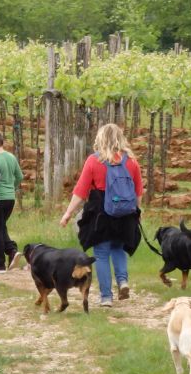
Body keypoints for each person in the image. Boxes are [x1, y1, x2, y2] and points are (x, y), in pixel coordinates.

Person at [59, 123, 144, 307]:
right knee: (119, 248)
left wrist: (68, 213)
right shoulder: (131, 161)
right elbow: (138, 191)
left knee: (102, 254)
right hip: (126, 214)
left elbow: (80, 191)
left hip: (101, 214)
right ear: (120, 138)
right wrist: (137, 212)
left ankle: (106, 297)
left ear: (101, 138)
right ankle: (123, 281)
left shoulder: (94, 161)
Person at [0, 130, 24, 272]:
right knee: (0, 226)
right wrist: (11, 188)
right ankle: (12, 251)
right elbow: (19, 176)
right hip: (10, 199)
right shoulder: (11, 157)